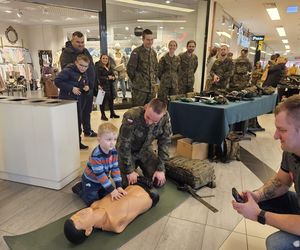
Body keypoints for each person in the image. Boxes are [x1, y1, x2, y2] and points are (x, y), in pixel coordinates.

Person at [232, 95, 300, 250]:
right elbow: (281, 182)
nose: (275, 136)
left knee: (277, 245)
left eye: (282, 130)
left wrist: (259, 215)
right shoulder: (291, 151)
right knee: (261, 198)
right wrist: (257, 196)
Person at [64, 179, 159, 245]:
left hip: (133, 184)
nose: (80, 214)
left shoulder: (94, 205)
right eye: (80, 221)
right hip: (151, 194)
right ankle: (79, 189)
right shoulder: (115, 224)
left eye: (75, 215)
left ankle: (79, 189)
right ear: (88, 230)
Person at [116, 98, 172, 188]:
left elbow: (164, 142)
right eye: (148, 117)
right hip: (128, 152)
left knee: (158, 182)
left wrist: (160, 169)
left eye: (154, 121)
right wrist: (129, 171)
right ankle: (132, 169)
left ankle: (139, 171)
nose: (149, 122)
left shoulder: (165, 118)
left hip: (145, 150)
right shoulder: (132, 116)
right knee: (128, 185)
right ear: (146, 107)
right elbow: (123, 145)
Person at [72, 122, 126, 206]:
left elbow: (115, 168)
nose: (112, 142)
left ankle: (99, 189)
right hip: (91, 180)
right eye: (108, 139)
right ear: (99, 139)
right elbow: (100, 174)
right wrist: (112, 190)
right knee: (92, 202)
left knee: (106, 198)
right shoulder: (96, 155)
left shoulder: (114, 152)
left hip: (103, 181)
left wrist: (118, 186)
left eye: (114, 139)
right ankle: (79, 187)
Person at [60, 31, 97, 138]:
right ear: (72, 41)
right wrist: (81, 83)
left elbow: (92, 67)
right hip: (77, 91)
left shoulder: (85, 51)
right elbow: (68, 72)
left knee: (87, 112)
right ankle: (77, 137)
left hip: (88, 89)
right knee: (77, 115)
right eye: (78, 42)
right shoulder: (66, 54)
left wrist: (94, 84)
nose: (81, 44)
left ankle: (87, 130)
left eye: (82, 42)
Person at [55, 54, 90, 150]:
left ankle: (77, 142)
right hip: (67, 102)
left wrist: (86, 88)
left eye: (85, 66)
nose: (83, 68)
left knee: (77, 122)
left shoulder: (84, 73)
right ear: (76, 63)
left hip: (78, 101)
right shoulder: (68, 70)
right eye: (81, 65)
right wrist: (71, 88)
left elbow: (84, 83)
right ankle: (68, 143)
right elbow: (57, 81)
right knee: (69, 123)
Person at [127, 29, 158, 107]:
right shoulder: (136, 52)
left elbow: (155, 69)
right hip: (139, 90)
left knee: (150, 112)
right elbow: (130, 70)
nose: (150, 42)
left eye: (151, 40)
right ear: (143, 39)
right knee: (137, 112)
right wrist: (137, 81)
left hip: (151, 90)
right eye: (148, 40)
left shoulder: (153, 53)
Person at [95, 54, 120, 121]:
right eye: (103, 58)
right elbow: (97, 77)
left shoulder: (109, 66)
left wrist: (114, 77)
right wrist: (107, 78)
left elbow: (113, 75)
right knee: (102, 102)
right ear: (100, 59)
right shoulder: (97, 66)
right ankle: (103, 115)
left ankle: (112, 113)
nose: (105, 60)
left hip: (110, 86)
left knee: (111, 100)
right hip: (102, 86)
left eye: (106, 58)